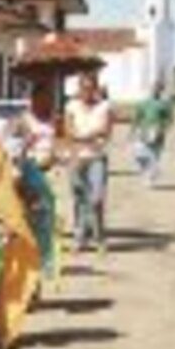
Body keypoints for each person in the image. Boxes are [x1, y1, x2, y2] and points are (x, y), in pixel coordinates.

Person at [65, 72, 113, 253]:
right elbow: (68, 132)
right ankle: (79, 237)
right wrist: (92, 134)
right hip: (77, 158)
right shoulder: (71, 106)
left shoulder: (104, 106)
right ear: (79, 88)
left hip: (97, 158)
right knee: (79, 198)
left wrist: (83, 136)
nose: (86, 91)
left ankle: (99, 236)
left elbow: (107, 131)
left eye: (90, 88)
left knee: (96, 198)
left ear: (95, 88)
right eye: (83, 88)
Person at [132, 83, 173, 186]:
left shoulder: (165, 104)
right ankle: (146, 171)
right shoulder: (144, 103)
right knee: (139, 154)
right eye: (154, 88)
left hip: (158, 133)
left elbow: (169, 119)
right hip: (144, 131)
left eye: (158, 89)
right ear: (150, 89)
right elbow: (137, 117)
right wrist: (133, 129)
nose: (155, 90)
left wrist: (163, 128)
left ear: (161, 91)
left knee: (155, 155)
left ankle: (150, 177)